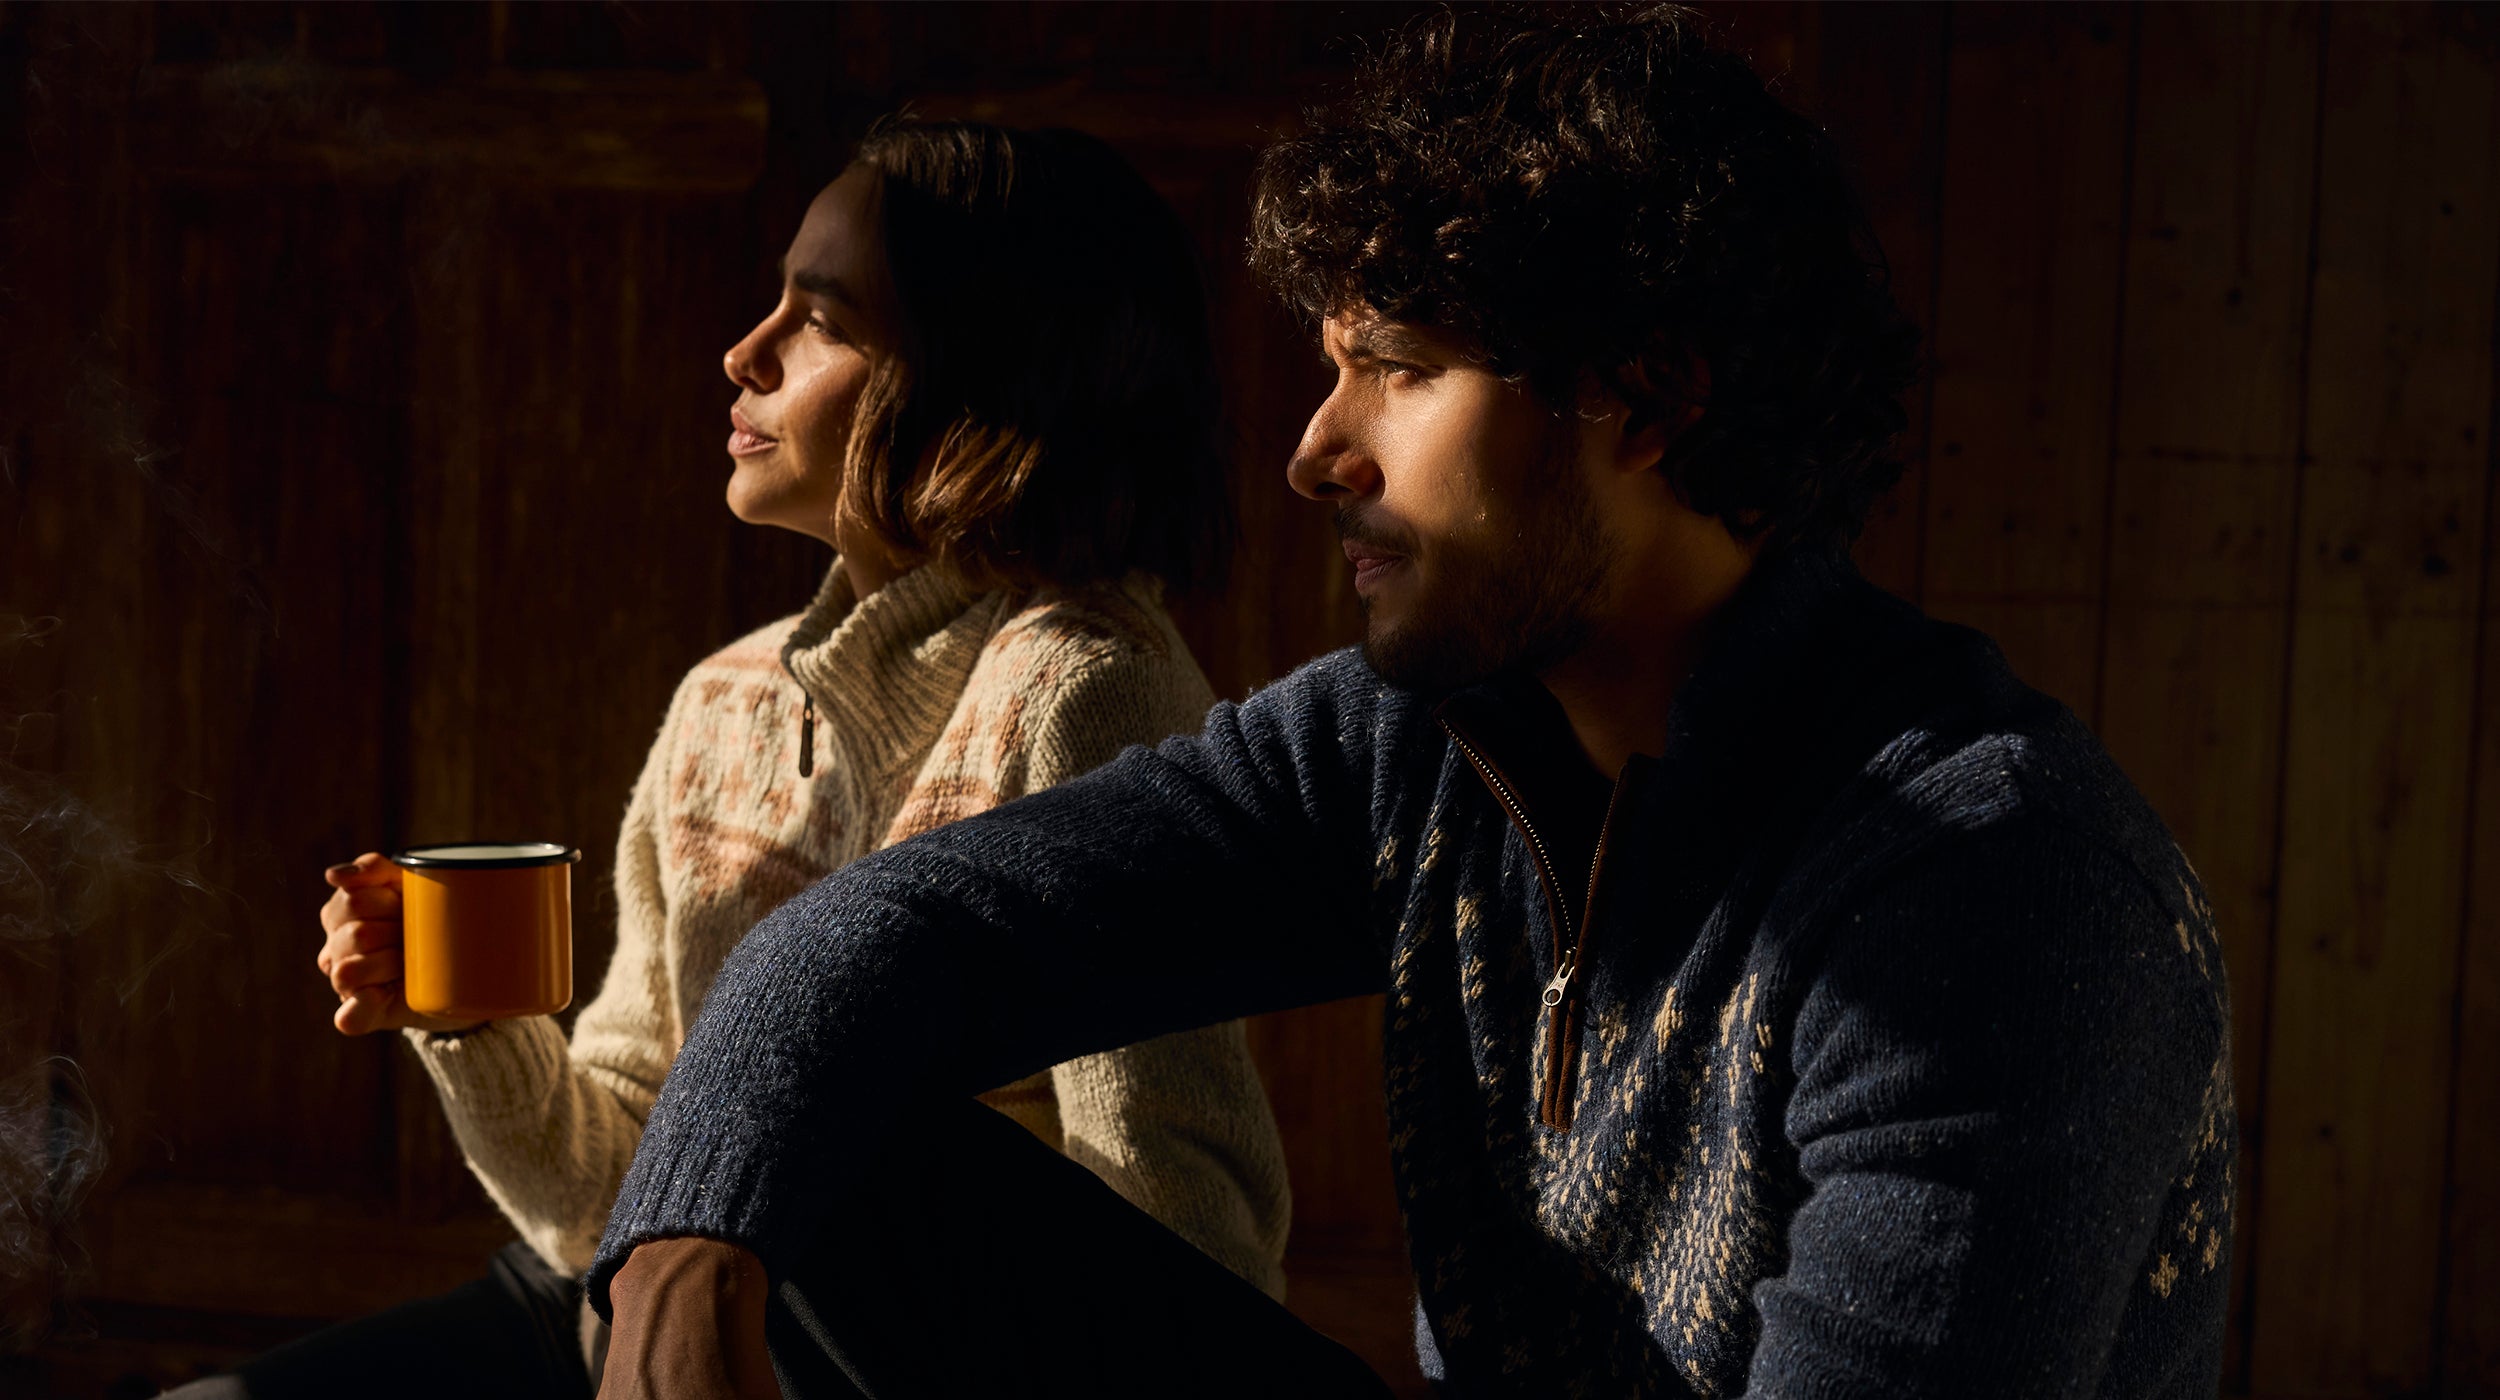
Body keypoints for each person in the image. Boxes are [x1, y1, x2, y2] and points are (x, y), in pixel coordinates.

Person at [592, 9, 2234, 1398]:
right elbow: (884, 939)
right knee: (847, 1140)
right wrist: (678, 1257)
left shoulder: (1988, 898)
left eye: (1402, 367)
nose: (1316, 450)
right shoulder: (1417, 744)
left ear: (1644, 400)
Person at [181, 120, 1295, 1400]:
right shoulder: (726, 698)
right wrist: (478, 1023)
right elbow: (620, 1195)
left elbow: (1175, 1230)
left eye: (819, 319)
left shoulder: (1088, 689)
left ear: (986, 367)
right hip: (623, 1321)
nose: (743, 352)